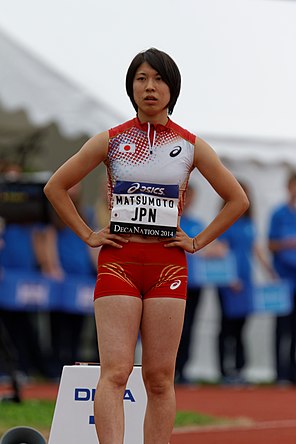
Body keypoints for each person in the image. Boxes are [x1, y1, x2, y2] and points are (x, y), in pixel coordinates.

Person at [44, 48, 249, 444]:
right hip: (118, 261)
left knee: (159, 377)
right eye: (141, 78)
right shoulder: (111, 140)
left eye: (158, 78)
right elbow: (55, 187)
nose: (149, 86)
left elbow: (238, 199)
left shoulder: (190, 145)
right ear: (131, 87)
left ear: (172, 88)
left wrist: (197, 241)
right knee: (115, 372)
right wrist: (88, 234)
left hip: (168, 266)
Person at [218, 181, 276, 384]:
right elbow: (222, 250)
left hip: (246, 281)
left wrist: (270, 272)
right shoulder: (225, 221)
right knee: (227, 326)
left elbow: (256, 249)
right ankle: (225, 370)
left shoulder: (249, 223)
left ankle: (240, 368)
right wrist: (230, 277)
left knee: (242, 327)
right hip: (229, 282)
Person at [268, 171, 296, 384]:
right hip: (284, 281)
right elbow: (270, 244)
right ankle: (280, 373)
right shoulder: (278, 213)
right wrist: (287, 243)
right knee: (281, 328)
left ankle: (293, 372)